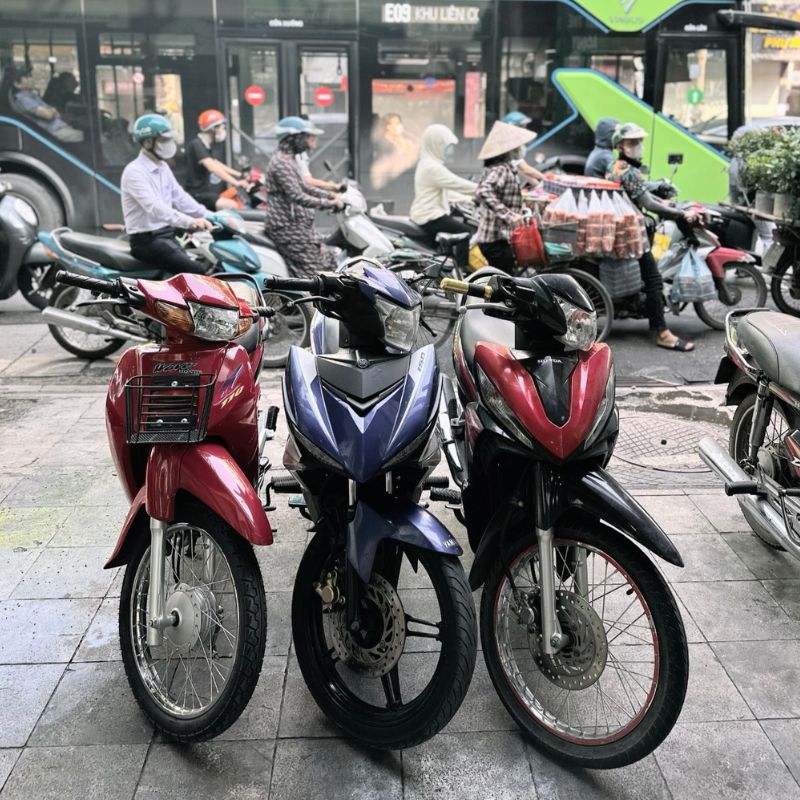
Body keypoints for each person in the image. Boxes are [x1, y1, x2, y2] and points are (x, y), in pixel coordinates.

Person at [607, 122, 698, 352]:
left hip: (622, 230)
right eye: (631, 142)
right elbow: (648, 203)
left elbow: (643, 195)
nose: (637, 145)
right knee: (654, 281)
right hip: (632, 234)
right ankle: (661, 332)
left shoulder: (616, 166)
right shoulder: (628, 171)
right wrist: (680, 212)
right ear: (620, 145)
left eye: (639, 141)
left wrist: (662, 201)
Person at [121, 113, 213, 274]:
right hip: (146, 242)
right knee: (197, 272)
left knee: (208, 261)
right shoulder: (134, 172)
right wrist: (190, 222)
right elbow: (155, 208)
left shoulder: (163, 167)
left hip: (166, 235)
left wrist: (209, 215)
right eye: (164, 140)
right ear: (148, 142)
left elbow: (180, 197)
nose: (170, 144)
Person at [263, 116, 344, 277]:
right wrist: (329, 204)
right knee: (315, 273)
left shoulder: (290, 160)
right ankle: (308, 302)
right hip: (287, 228)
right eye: (309, 136)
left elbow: (304, 186)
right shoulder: (281, 163)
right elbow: (297, 195)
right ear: (294, 138)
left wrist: (329, 195)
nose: (313, 141)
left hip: (300, 227)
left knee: (329, 262)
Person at [409, 124, 477, 267]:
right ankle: (461, 270)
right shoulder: (432, 168)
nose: (449, 150)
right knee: (464, 231)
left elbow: (446, 191)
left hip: (426, 214)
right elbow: (456, 183)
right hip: (429, 216)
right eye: (446, 146)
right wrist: (484, 189)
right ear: (436, 145)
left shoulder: (427, 163)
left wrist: (466, 199)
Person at [473, 121, 537, 273]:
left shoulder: (504, 168)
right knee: (503, 285)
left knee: (502, 280)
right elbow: (483, 191)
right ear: (510, 151)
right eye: (518, 146)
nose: (521, 149)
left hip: (497, 238)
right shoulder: (501, 169)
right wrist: (509, 216)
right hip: (495, 240)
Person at [185, 109, 247, 210]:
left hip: (206, 192)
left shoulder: (206, 145)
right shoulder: (197, 144)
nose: (223, 131)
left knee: (234, 199)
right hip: (198, 194)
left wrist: (239, 174)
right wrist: (236, 182)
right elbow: (212, 167)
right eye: (222, 128)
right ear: (213, 128)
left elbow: (216, 163)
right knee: (234, 206)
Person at [8, 64, 83, 143]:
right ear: (17, 84)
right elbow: (48, 114)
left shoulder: (31, 96)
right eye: (27, 77)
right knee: (87, 137)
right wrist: (53, 110)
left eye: (31, 75)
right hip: (51, 133)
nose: (32, 78)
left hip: (59, 127)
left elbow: (55, 113)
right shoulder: (23, 99)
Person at [502, 111, 545, 186]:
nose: (524, 130)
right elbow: (526, 170)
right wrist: (546, 179)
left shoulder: (510, 144)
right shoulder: (507, 146)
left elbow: (523, 171)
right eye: (521, 127)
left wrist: (539, 186)